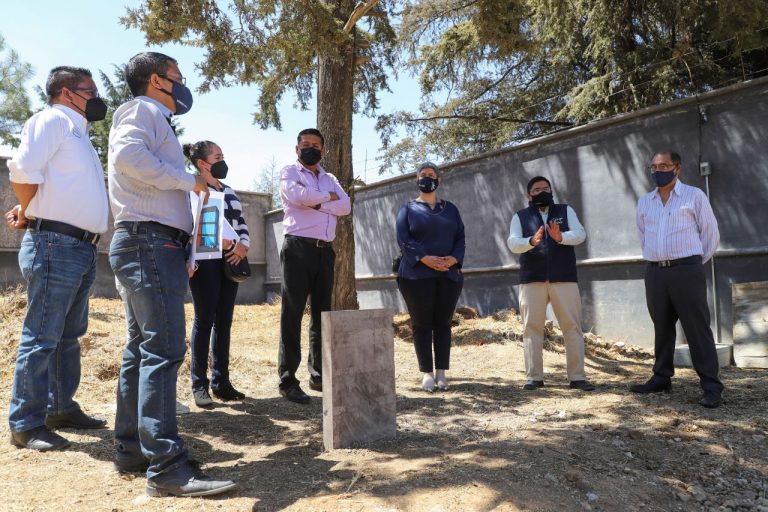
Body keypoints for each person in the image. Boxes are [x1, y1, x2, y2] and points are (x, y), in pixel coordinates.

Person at [108, 52, 236, 497]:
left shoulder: (151, 116)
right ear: (156, 80)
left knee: (141, 349)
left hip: (145, 242)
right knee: (163, 349)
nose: (183, 85)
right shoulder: (143, 111)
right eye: (177, 77)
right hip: (149, 242)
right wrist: (186, 180)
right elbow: (128, 157)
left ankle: (133, 449)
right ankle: (166, 467)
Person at [5, 66, 109, 452]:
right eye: (90, 91)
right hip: (55, 244)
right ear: (67, 93)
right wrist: (31, 208)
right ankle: (26, 423)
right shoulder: (52, 120)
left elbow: (56, 183)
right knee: (42, 336)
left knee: (68, 335)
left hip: (79, 247)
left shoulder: (78, 133)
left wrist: (28, 207)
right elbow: (22, 169)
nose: (97, 98)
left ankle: (60, 408)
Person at [631, 150, 724, 408]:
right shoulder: (645, 202)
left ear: (677, 168)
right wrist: (657, 259)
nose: (658, 171)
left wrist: (691, 264)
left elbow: (710, 235)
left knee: (697, 329)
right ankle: (661, 378)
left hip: (686, 271)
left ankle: (711, 386)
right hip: (655, 273)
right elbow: (643, 236)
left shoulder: (694, 196)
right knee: (662, 328)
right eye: (654, 167)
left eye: (664, 166)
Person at [277, 128, 351, 404]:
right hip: (297, 248)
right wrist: (327, 198)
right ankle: (287, 380)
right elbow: (298, 197)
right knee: (292, 313)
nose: (310, 148)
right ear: (297, 149)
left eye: (316, 145)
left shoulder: (330, 178)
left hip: (324, 251)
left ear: (323, 150)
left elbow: (345, 206)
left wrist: (319, 203)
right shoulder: (289, 172)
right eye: (305, 144)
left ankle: (318, 374)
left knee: (321, 314)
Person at [507, 176, 595, 391]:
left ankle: (577, 377)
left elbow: (580, 234)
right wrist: (531, 241)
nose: (542, 192)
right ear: (529, 195)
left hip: (564, 278)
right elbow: (513, 243)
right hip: (532, 280)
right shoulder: (520, 216)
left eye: (546, 188)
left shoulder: (565, 211)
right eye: (537, 190)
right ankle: (534, 378)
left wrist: (560, 237)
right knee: (531, 328)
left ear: (552, 191)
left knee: (572, 327)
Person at [183, 140, 249, 407]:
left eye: (223, 156)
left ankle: (221, 383)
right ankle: (199, 384)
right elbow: (196, 224)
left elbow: (240, 222)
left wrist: (243, 246)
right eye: (217, 157)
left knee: (224, 322)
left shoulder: (229, 190)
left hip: (231, 260)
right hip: (206, 260)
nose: (223, 161)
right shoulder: (194, 188)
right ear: (202, 163)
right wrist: (225, 243)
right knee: (204, 320)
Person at [396, 162, 465, 392]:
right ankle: (426, 373)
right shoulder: (407, 209)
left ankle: (441, 372)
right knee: (422, 324)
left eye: (431, 175)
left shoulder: (451, 209)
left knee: (443, 324)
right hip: (416, 276)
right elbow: (403, 238)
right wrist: (425, 258)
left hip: (448, 275)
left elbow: (460, 237)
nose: (427, 178)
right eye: (423, 175)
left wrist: (453, 259)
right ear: (417, 180)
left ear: (439, 180)